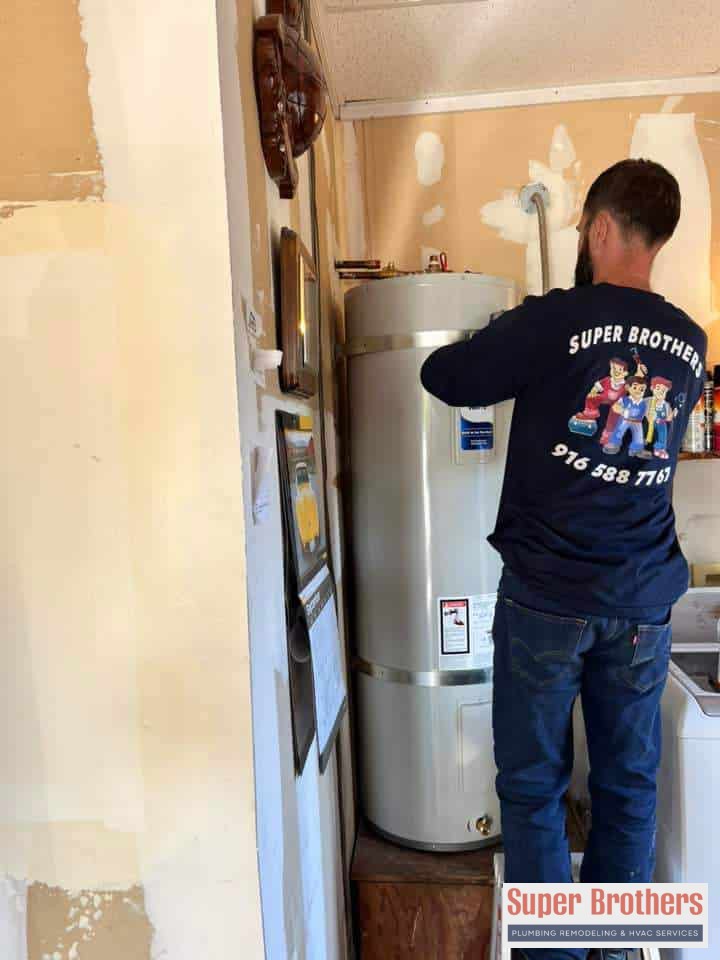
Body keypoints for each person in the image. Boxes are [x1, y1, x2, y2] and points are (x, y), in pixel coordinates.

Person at [420, 159, 707, 960]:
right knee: (626, 790)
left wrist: (506, 332)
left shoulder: (558, 320)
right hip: (644, 602)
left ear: (603, 228)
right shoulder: (689, 343)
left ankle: (552, 954)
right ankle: (612, 950)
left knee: (535, 789)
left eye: (586, 228)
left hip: (548, 595)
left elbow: (444, 376)